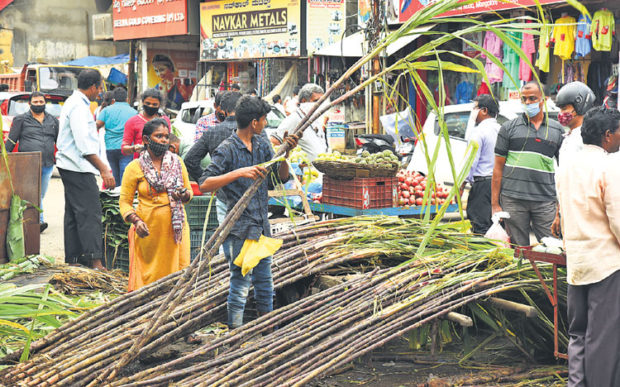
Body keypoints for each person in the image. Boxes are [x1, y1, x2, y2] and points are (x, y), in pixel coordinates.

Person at [199, 96, 298, 328]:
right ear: (254, 122)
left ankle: (267, 330)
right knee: (240, 284)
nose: (265, 124)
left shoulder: (262, 144)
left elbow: (279, 177)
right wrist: (239, 173)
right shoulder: (228, 148)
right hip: (238, 228)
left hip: (261, 225)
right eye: (264, 120)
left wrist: (286, 155)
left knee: (265, 284)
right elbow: (204, 183)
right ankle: (235, 334)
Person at [556, 107, 620, 387]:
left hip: (577, 261)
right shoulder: (609, 166)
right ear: (607, 136)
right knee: (603, 337)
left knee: (578, 333)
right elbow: (617, 218)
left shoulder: (568, 165)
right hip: (605, 263)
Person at [119, 118, 192, 291]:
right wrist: (136, 221)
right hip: (148, 231)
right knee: (148, 278)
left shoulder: (178, 162)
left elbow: (189, 193)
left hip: (176, 230)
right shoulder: (134, 167)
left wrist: (182, 195)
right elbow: (124, 202)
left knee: (175, 275)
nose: (164, 140)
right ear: (146, 140)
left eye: (166, 137)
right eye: (158, 136)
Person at [491, 81, 564, 246]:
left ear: (543, 100)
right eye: (524, 99)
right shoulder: (508, 128)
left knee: (552, 247)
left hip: (545, 200)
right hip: (513, 199)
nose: (528, 103)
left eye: (533, 98)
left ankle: (545, 273)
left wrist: (560, 207)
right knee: (518, 249)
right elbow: (497, 169)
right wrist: (495, 204)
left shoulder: (557, 130)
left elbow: (564, 170)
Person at [56, 69, 114, 269]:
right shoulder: (79, 107)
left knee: (74, 213)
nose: (100, 92)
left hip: (70, 165)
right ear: (93, 87)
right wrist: (104, 169)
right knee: (90, 213)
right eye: (99, 88)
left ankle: (74, 260)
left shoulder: (75, 103)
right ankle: (95, 260)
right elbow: (84, 146)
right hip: (78, 167)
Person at [185, 91, 242, 224]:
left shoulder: (212, 132)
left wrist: (209, 182)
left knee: (225, 238)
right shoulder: (253, 130)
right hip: (249, 195)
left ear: (223, 109)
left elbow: (190, 160)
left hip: (222, 193)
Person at [5, 91, 59, 232]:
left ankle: (28, 217)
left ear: (45, 103)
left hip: (47, 163)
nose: (38, 105)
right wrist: (4, 156)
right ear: (29, 104)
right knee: (33, 192)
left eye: (41, 102)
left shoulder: (53, 120)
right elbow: (12, 139)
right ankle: (38, 222)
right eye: (35, 102)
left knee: (40, 194)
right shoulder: (21, 119)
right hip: (28, 163)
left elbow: (59, 141)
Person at [551, 82, 595, 237]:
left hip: (582, 212)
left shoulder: (585, 139)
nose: (561, 113)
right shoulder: (569, 137)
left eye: (564, 108)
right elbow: (563, 181)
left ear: (580, 106)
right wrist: (559, 213)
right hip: (568, 210)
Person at [463, 95, 500, 235]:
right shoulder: (502, 129)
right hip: (500, 184)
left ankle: (485, 256)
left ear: (484, 110)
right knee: (495, 225)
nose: (473, 111)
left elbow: (470, 161)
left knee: (480, 227)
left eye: (475, 108)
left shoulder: (478, 131)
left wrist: (461, 184)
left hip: (483, 186)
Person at [270, 83, 327, 163]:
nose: (320, 104)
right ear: (304, 101)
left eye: (322, 101)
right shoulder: (294, 118)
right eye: (316, 101)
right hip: (306, 171)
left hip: (320, 171)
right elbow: (274, 140)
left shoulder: (315, 119)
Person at [96, 87, 137, 186]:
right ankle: (122, 199)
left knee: (115, 176)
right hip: (126, 148)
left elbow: (96, 125)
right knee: (125, 176)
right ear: (127, 99)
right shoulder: (133, 112)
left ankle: (115, 198)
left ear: (113, 99)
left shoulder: (106, 111)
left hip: (110, 147)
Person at [121, 89, 170, 159]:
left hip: (163, 163)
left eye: (154, 104)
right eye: (148, 103)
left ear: (159, 105)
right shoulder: (132, 121)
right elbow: (124, 149)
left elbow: (168, 141)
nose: (151, 106)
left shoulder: (165, 120)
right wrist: (134, 148)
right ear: (143, 102)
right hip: (140, 163)